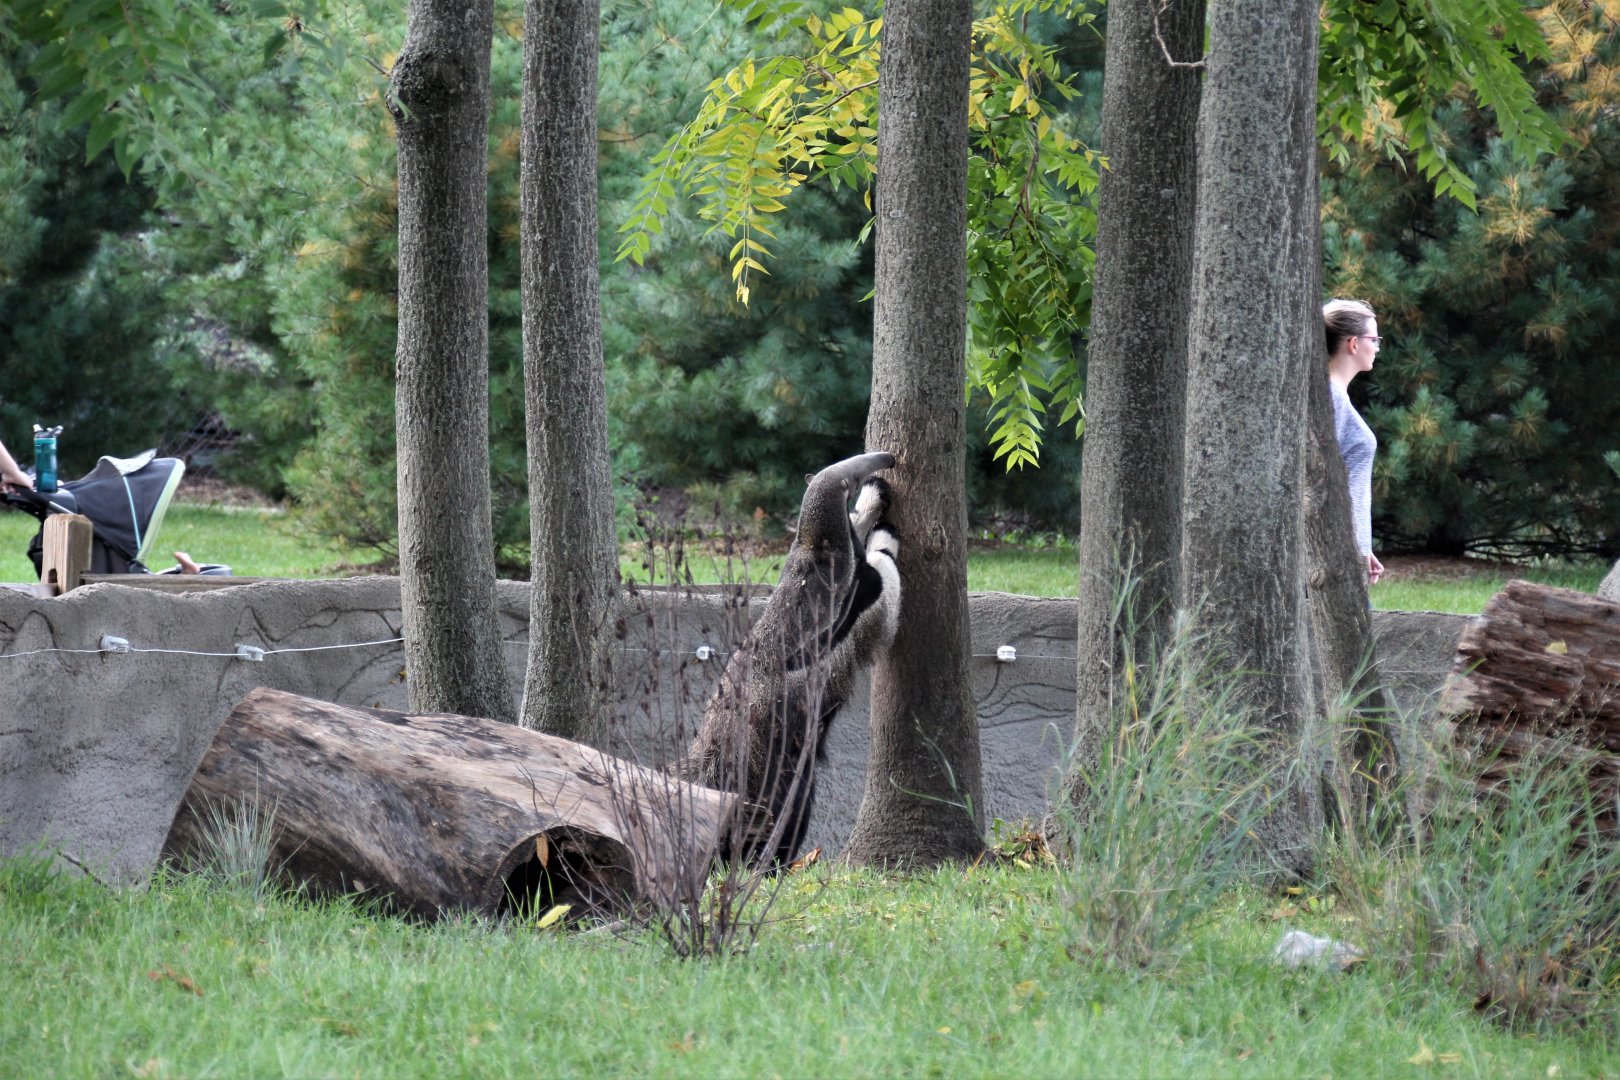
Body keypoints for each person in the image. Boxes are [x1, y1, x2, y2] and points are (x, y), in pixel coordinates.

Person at [1323, 298, 1383, 585]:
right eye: (1374, 338)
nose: (1378, 347)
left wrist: (1364, 548)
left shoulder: (1336, 396)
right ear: (1354, 344)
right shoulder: (1331, 399)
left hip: (1349, 551)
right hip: (1334, 554)